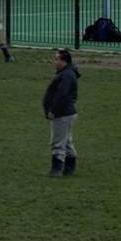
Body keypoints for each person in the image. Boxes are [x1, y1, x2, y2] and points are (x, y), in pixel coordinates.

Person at [43, 47, 79, 175]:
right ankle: (70, 167)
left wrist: (53, 110)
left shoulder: (66, 75)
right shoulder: (67, 73)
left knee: (58, 141)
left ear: (64, 61)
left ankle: (56, 168)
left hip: (62, 113)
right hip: (67, 112)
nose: (54, 62)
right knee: (66, 140)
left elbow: (61, 95)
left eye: (56, 59)